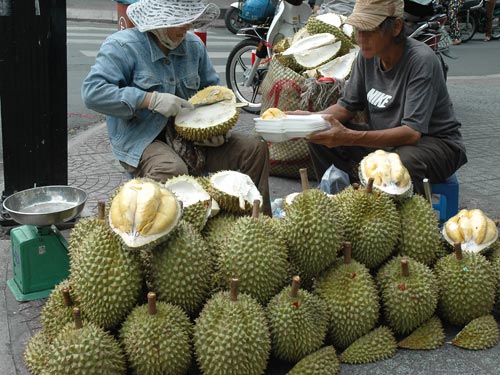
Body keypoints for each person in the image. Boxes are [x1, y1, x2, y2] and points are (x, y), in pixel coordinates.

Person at [82, 0, 271, 215]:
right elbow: (93, 93)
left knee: (254, 148)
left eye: (189, 19)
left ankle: (253, 223)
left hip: (192, 137)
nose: (187, 26)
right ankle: (153, 233)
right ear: (157, 22)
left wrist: (218, 127)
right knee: (172, 169)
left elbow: (213, 92)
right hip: (143, 138)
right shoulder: (123, 47)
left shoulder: (193, 47)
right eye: (179, 20)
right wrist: (149, 100)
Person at [291, 0, 467, 196]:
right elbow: (346, 107)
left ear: (396, 27)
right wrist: (308, 121)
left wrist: (349, 138)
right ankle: (342, 200)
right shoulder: (366, 57)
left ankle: (399, 220)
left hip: (435, 144)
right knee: (320, 137)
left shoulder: (421, 61)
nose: (360, 38)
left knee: (400, 162)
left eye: (368, 31)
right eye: (358, 30)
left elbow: (412, 133)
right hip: (387, 140)